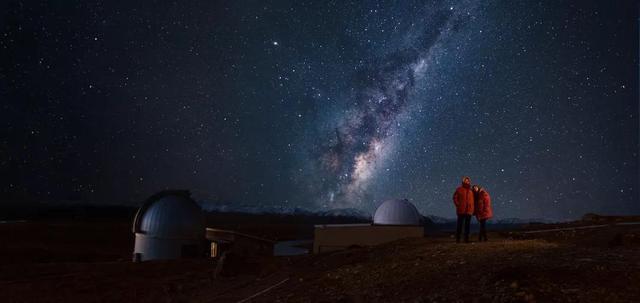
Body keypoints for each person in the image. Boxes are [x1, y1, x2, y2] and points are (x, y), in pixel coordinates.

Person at [453, 176, 474, 243]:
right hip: (461, 210)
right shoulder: (459, 189)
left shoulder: (471, 191)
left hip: (469, 210)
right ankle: (458, 239)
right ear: (463, 181)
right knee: (459, 225)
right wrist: (458, 205)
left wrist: (472, 208)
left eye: (468, 180)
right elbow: (455, 197)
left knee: (467, 226)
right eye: (465, 180)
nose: (467, 181)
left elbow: (472, 201)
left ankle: (466, 239)